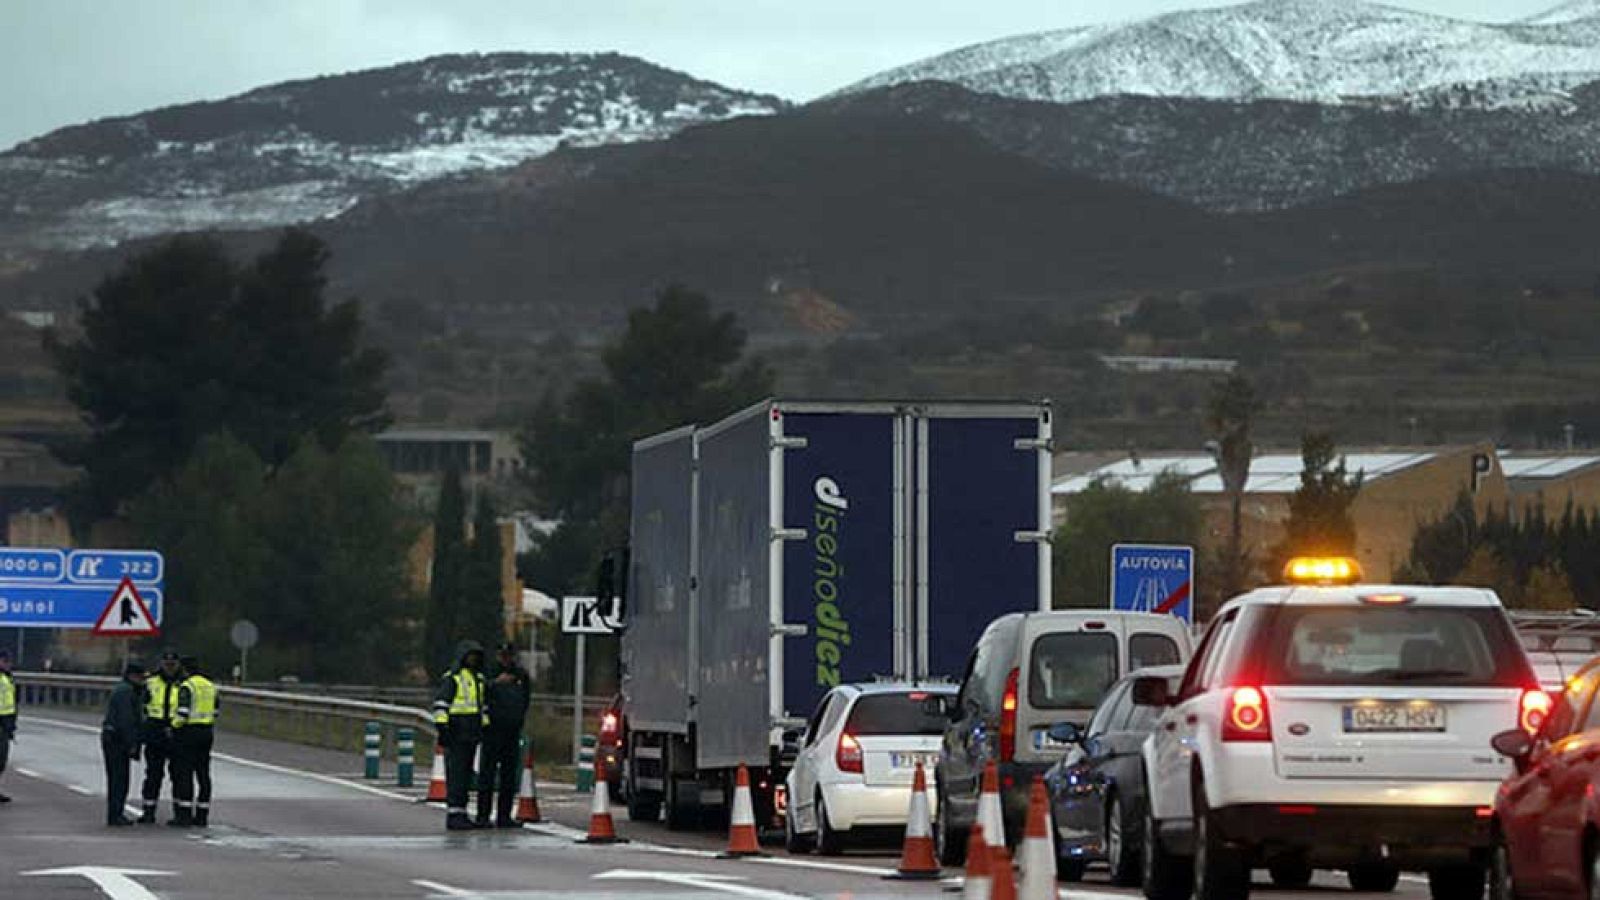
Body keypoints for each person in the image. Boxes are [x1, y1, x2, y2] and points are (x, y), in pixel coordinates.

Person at [433, 640, 487, 831]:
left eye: (476, 656)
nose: (473, 659)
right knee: (456, 774)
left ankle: (461, 813)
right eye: (470, 655)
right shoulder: (453, 677)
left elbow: (482, 707)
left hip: (472, 732)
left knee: (465, 775)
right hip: (456, 731)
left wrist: (485, 728)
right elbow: (441, 703)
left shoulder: (479, 679)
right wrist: (442, 727)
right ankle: (454, 814)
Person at [477, 641, 531, 828]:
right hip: (492, 730)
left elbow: (526, 699)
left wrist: (519, 719)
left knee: (509, 776)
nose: (506, 658)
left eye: (509, 655)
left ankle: (504, 816)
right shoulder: (488, 672)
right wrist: (494, 684)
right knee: (487, 775)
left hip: (512, 730)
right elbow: (479, 693)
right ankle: (482, 815)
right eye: (503, 655)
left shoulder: (520, 675)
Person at [169, 654, 218, 828]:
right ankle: (202, 815)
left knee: (185, 774)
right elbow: (216, 711)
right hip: (207, 732)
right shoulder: (210, 685)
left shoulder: (187, 686)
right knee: (203, 774)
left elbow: (182, 713)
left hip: (188, 733)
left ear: (184, 669)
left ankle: (184, 816)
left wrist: (173, 727)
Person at [138, 650, 182, 824]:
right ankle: (148, 811)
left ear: (178, 664)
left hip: (177, 731)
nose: (170, 667)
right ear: (162, 664)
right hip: (155, 731)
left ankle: (180, 813)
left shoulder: (184, 683)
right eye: (167, 664)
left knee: (178, 775)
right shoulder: (151, 682)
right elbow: (141, 705)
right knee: (153, 775)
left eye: (173, 664)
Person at [102, 660, 146, 826]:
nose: (142, 681)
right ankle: (115, 814)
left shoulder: (126, 690)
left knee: (118, 778)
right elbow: (126, 720)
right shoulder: (125, 692)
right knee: (119, 779)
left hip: (114, 738)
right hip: (116, 740)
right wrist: (132, 743)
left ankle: (116, 812)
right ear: (132, 676)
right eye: (140, 677)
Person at [0, 648, 16, 805]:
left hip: (5, 723)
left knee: (2, 759)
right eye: (5, 661)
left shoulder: (7, 677)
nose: (8, 664)